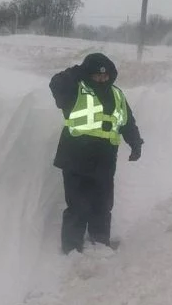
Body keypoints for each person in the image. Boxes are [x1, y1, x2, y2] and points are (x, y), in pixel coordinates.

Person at [49, 53, 144, 254]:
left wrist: (135, 143)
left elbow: (128, 122)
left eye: (105, 76)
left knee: (102, 204)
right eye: (96, 75)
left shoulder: (117, 95)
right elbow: (56, 83)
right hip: (76, 158)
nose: (102, 79)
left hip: (105, 160)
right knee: (77, 206)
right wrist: (77, 72)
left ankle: (99, 242)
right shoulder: (74, 91)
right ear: (88, 75)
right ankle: (71, 248)